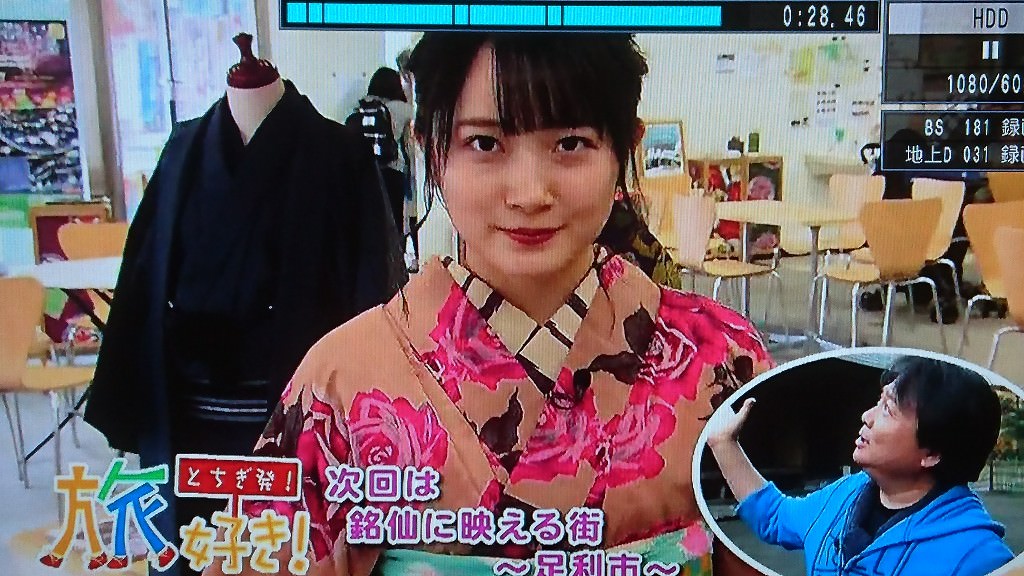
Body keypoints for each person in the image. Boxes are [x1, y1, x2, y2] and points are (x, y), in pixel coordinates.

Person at [205, 32, 773, 576]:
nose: (529, 194)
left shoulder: (722, 358)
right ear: (431, 150)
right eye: (484, 143)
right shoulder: (340, 378)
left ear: (626, 149)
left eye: (570, 143)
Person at [82, 35, 406, 576]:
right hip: (191, 425)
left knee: (287, 557)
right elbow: (145, 276)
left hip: (294, 421)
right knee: (190, 554)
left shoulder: (337, 152)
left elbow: (370, 287)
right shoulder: (184, 148)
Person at [707, 356, 1014, 575]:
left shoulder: (979, 558)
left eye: (888, 410)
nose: (867, 417)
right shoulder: (844, 494)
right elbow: (775, 516)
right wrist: (723, 443)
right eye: (879, 401)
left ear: (932, 453)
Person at [358, 67, 415, 234]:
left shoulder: (365, 106)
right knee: (395, 219)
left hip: (368, 170)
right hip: (393, 169)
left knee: (375, 220)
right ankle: (396, 249)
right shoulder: (402, 108)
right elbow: (416, 121)